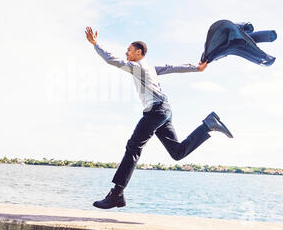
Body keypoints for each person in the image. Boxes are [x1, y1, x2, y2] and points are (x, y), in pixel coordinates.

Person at [85, 26, 234, 209]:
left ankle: (116, 194)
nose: (126, 53)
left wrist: (95, 44)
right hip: (164, 110)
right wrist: (197, 68)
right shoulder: (149, 68)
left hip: (156, 112)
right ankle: (208, 125)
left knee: (133, 147)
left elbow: (112, 60)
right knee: (177, 153)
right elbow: (171, 67)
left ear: (138, 53)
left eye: (129, 50)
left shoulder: (137, 66)